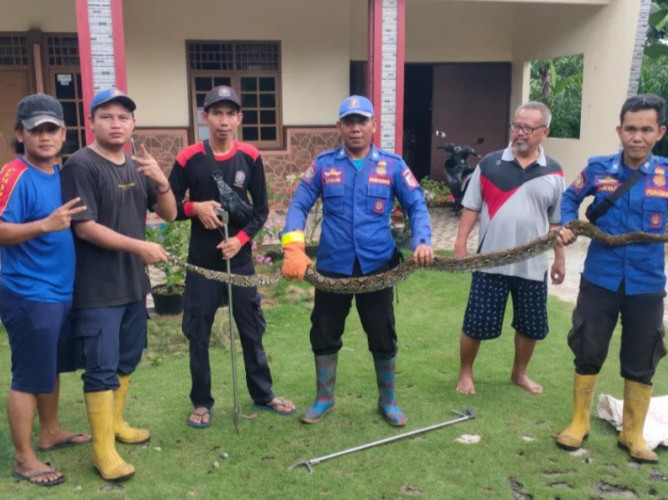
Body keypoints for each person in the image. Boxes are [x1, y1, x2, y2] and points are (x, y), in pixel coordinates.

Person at [281, 95, 434, 427]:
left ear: (373, 126)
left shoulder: (392, 165)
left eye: (362, 121)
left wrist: (422, 241)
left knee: (382, 332)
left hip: (377, 267)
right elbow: (299, 205)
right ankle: (324, 399)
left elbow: (417, 205)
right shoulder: (323, 165)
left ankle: (388, 401)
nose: (355, 128)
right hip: (332, 269)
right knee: (324, 331)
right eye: (348, 122)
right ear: (339, 126)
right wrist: (294, 246)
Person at [61, 88, 177, 481]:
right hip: (97, 289)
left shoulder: (135, 165)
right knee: (101, 367)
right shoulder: (80, 165)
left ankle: (116, 424)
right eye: (107, 116)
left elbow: (170, 213)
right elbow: (86, 227)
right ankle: (102, 450)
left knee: (128, 358)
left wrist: (161, 181)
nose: (116, 123)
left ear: (133, 124)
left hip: (133, 285)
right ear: (91, 121)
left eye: (123, 117)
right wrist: (140, 246)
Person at [168, 85, 295, 429]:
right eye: (216, 113)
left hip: (238, 261)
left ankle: (263, 394)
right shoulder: (188, 158)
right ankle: (202, 402)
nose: (223, 121)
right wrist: (195, 208)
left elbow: (262, 210)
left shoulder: (251, 157)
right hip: (201, 262)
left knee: (251, 329)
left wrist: (240, 240)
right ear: (204, 117)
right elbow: (168, 207)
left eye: (230, 114)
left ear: (239, 119)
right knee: (198, 333)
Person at [0, 93, 91, 486]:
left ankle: (50, 432)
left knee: (51, 368)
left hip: (59, 292)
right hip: (29, 294)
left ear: (63, 133)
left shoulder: (61, 173)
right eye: (36, 130)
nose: (45, 137)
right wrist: (43, 225)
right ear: (20, 133)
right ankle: (24, 458)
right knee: (28, 376)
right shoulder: (14, 174)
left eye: (52, 129)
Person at [555, 94, 667, 463]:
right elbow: (569, 199)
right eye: (630, 128)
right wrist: (567, 226)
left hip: (647, 283)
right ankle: (579, 422)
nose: (637, 137)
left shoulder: (665, 175)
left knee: (641, 356)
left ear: (659, 132)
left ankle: (632, 433)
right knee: (588, 348)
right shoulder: (598, 169)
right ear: (619, 130)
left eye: (646, 129)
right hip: (600, 278)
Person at [454, 101, 566, 395]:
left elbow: (556, 223)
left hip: (533, 266)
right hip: (490, 263)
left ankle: (519, 373)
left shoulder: (554, 172)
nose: (520, 133)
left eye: (528, 128)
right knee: (475, 322)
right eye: (516, 126)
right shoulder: (490, 164)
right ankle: (466, 373)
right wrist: (460, 244)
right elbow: (470, 207)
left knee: (530, 325)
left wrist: (559, 259)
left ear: (544, 132)